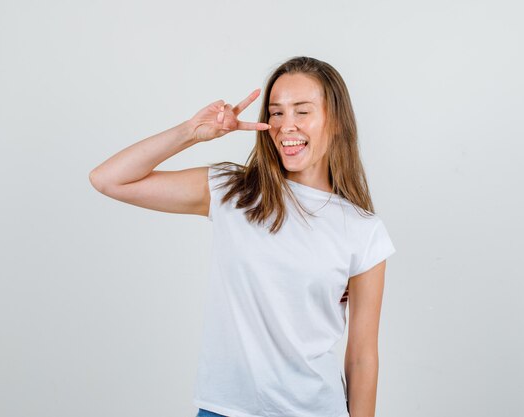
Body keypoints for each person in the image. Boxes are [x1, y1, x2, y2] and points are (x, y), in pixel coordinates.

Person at [89, 56, 396, 417]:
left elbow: (362, 358)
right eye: (277, 112)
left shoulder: (362, 229)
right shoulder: (233, 192)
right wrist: (192, 132)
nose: (286, 126)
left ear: (337, 121)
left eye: (302, 111)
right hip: (225, 410)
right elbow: (109, 179)